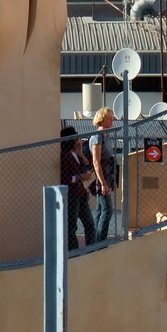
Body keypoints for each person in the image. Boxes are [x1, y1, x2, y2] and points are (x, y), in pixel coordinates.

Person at [61, 127, 95, 251]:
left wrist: (81, 154)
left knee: (90, 224)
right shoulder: (65, 156)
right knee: (71, 227)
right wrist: (79, 177)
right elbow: (65, 178)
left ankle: (91, 250)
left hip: (81, 194)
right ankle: (73, 252)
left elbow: (88, 166)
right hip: (72, 195)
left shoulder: (76, 154)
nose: (78, 139)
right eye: (75, 137)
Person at [88, 107, 117, 243]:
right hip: (101, 179)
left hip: (107, 176)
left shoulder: (107, 136)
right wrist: (103, 183)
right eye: (109, 118)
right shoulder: (97, 137)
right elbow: (96, 161)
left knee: (100, 210)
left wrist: (112, 181)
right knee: (107, 210)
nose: (112, 121)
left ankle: (96, 240)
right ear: (102, 119)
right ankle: (100, 241)